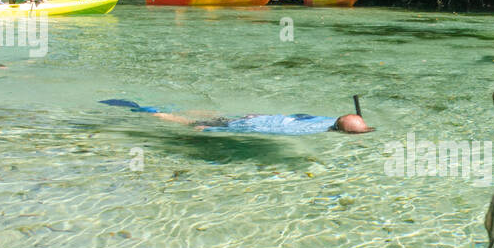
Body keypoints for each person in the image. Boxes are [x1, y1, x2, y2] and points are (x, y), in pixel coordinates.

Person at [99, 99, 373, 134]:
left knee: (212, 116)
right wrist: (210, 131)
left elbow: (296, 114)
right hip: (249, 122)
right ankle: (147, 111)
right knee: (192, 122)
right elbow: (262, 131)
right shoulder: (308, 131)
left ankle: (165, 108)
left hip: (257, 115)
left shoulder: (321, 119)